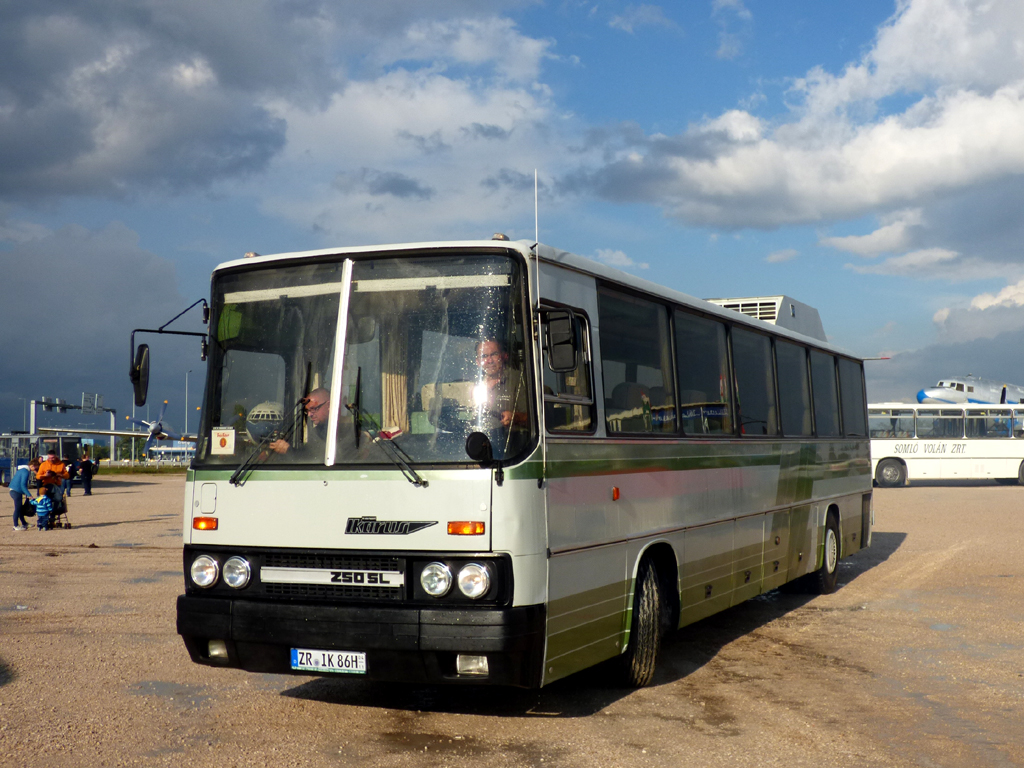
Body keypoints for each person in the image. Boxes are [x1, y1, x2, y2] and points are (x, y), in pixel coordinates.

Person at [473, 338, 529, 455]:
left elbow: (535, 420)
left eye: (494, 354)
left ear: (504, 356)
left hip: (511, 450)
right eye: (484, 356)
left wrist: (515, 418)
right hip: (476, 449)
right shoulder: (473, 386)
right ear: (477, 362)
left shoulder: (519, 380)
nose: (489, 360)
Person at [269, 388, 331, 456]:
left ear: (328, 405)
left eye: (313, 409)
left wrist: (287, 450)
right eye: (307, 411)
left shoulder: (339, 433)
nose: (309, 414)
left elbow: (314, 460)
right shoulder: (317, 432)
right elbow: (307, 454)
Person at [10, 458, 40, 531]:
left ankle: (24, 523)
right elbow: (23, 485)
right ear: (32, 465)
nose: (36, 469)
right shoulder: (25, 472)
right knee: (17, 508)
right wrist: (29, 495)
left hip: (14, 490)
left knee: (20, 508)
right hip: (16, 491)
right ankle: (15, 525)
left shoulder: (22, 470)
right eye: (36, 467)